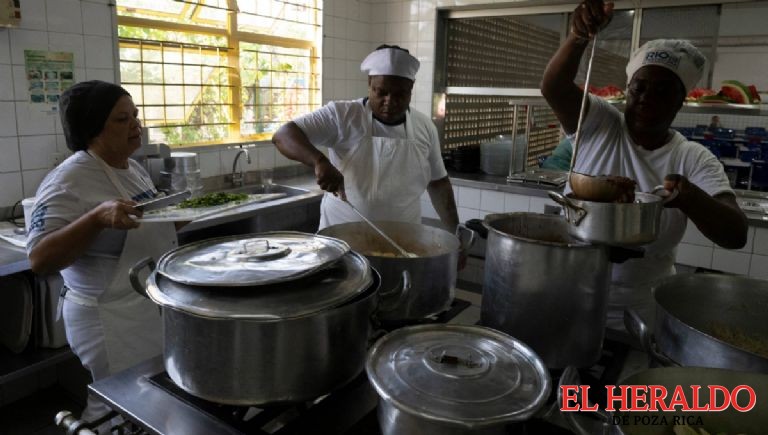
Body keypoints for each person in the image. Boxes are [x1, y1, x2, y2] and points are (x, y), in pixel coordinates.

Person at [540, 0, 748, 330]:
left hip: (640, 309)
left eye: (664, 91)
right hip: (570, 290)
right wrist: (579, 35)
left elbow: (736, 234)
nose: (647, 97)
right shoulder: (600, 123)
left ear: (682, 100)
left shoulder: (693, 157)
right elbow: (553, 87)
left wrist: (690, 197)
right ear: (627, 90)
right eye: (640, 87)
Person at [26, 80, 178, 425]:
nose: (137, 126)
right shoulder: (69, 179)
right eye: (122, 120)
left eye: (136, 116)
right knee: (117, 406)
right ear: (92, 129)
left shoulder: (132, 168)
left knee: (144, 400)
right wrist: (95, 219)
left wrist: (182, 214)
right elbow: (39, 258)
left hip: (141, 303)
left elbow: (144, 224)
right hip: (107, 316)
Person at [272, 45, 459, 232]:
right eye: (382, 92)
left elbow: (438, 183)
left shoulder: (424, 127)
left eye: (400, 94)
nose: (390, 101)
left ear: (411, 88)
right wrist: (319, 161)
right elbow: (283, 135)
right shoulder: (342, 115)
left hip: (402, 241)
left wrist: (455, 234)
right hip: (343, 237)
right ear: (370, 84)